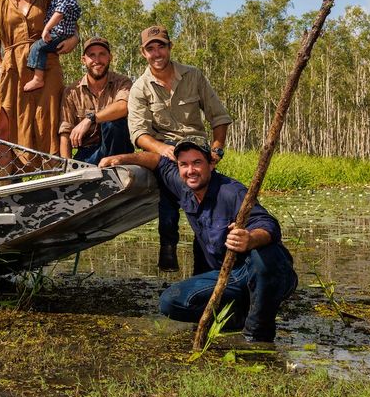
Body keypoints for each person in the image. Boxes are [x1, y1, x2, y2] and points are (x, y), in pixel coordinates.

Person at [99, 137, 298, 343]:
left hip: (258, 271)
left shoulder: (231, 192)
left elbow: (268, 224)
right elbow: (157, 161)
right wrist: (120, 158)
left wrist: (249, 238)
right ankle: (238, 316)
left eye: (197, 163)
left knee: (263, 255)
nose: (190, 170)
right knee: (170, 302)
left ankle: (258, 334)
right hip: (228, 277)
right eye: (183, 164)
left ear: (211, 164)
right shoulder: (184, 184)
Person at [128, 25, 232, 272]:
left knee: (203, 197)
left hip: (197, 147)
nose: (156, 53)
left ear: (169, 47)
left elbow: (219, 117)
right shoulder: (139, 88)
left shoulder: (193, 76)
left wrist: (217, 150)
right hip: (164, 149)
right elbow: (139, 133)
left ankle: (173, 247)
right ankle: (177, 246)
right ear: (143, 53)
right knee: (182, 187)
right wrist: (162, 148)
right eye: (150, 49)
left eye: (160, 46)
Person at [0, 0, 79, 176]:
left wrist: (75, 38)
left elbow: (69, 15)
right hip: (13, 71)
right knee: (7, 123)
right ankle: (5, 186)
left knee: (49, 120)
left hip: (47, 67)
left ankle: (54, 182)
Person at [59, 36, 134, 164]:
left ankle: (113, 169)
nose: (97, 60)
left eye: (102, 54)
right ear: (84, 60)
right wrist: (68, 168)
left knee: (112, 124)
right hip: (88, 153)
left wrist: (90, 119)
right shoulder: (72, 92)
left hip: (120, 150)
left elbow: (123, 106)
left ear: (110, 57)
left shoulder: (122, 83)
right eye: (92, 55)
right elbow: (65, 132)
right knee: (80, 168)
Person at [23, 0, 80, 92]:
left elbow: (59, 14)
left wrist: (46, 29)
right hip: (60, 33)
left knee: (38, 47)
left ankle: (38, 78)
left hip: (59, 33)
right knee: (41, 49)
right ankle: (37, 76)